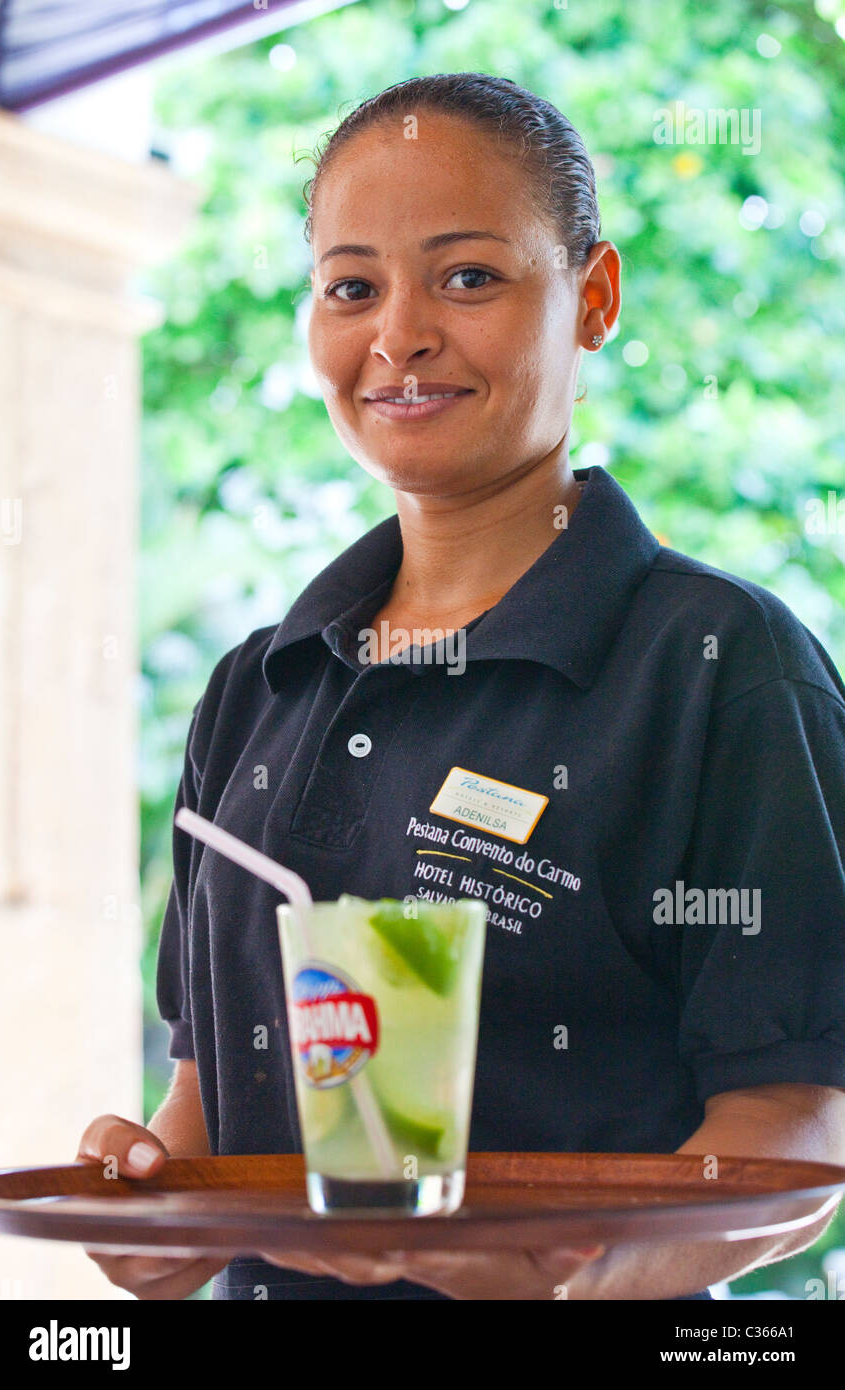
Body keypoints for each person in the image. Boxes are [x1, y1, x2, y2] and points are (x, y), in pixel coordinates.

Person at [78, 73, 845, 1301]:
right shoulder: (255, 687)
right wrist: (154, 1192)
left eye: (468, 276)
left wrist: (560, 1281)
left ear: (591, 298)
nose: (398, 336)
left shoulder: (715, 666)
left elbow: (791, 1135)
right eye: (350, 287)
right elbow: (211, 1105)